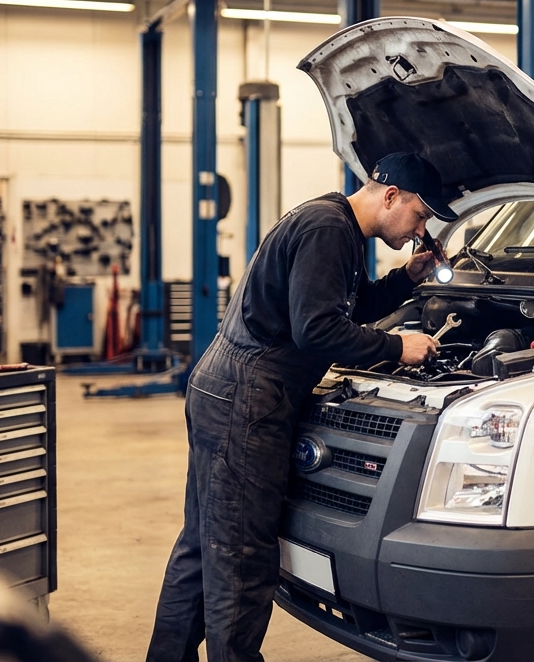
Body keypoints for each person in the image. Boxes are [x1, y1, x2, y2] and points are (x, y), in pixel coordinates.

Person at [145, 153, 457, 662]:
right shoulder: (328, 231)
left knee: (205, 545)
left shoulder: (334, 226)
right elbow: (316, 330)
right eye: (421, 216)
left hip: (225, 386)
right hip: (247, 396)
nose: (421, 229)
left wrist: (406, 279)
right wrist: (398, 347)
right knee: (243, 557)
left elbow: (337, 308)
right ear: (391, 195)